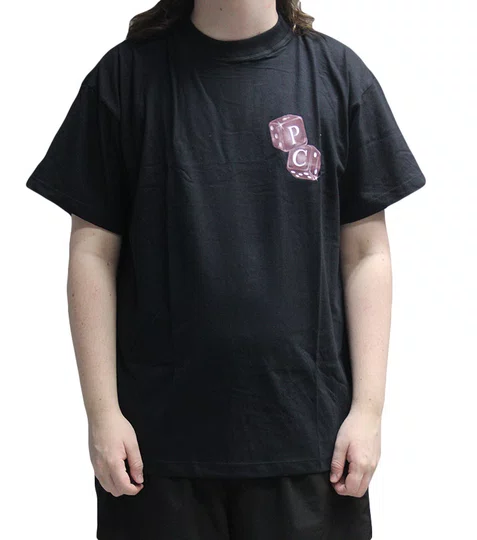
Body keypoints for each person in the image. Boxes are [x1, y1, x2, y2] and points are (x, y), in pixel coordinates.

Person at [25, 1, 426, 538]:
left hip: (313, 446)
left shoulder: (338, 77)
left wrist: (369, 411)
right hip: (155, 452)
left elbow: (366, 253)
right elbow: (92, 252)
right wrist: (102, 414)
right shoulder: (124, 79)